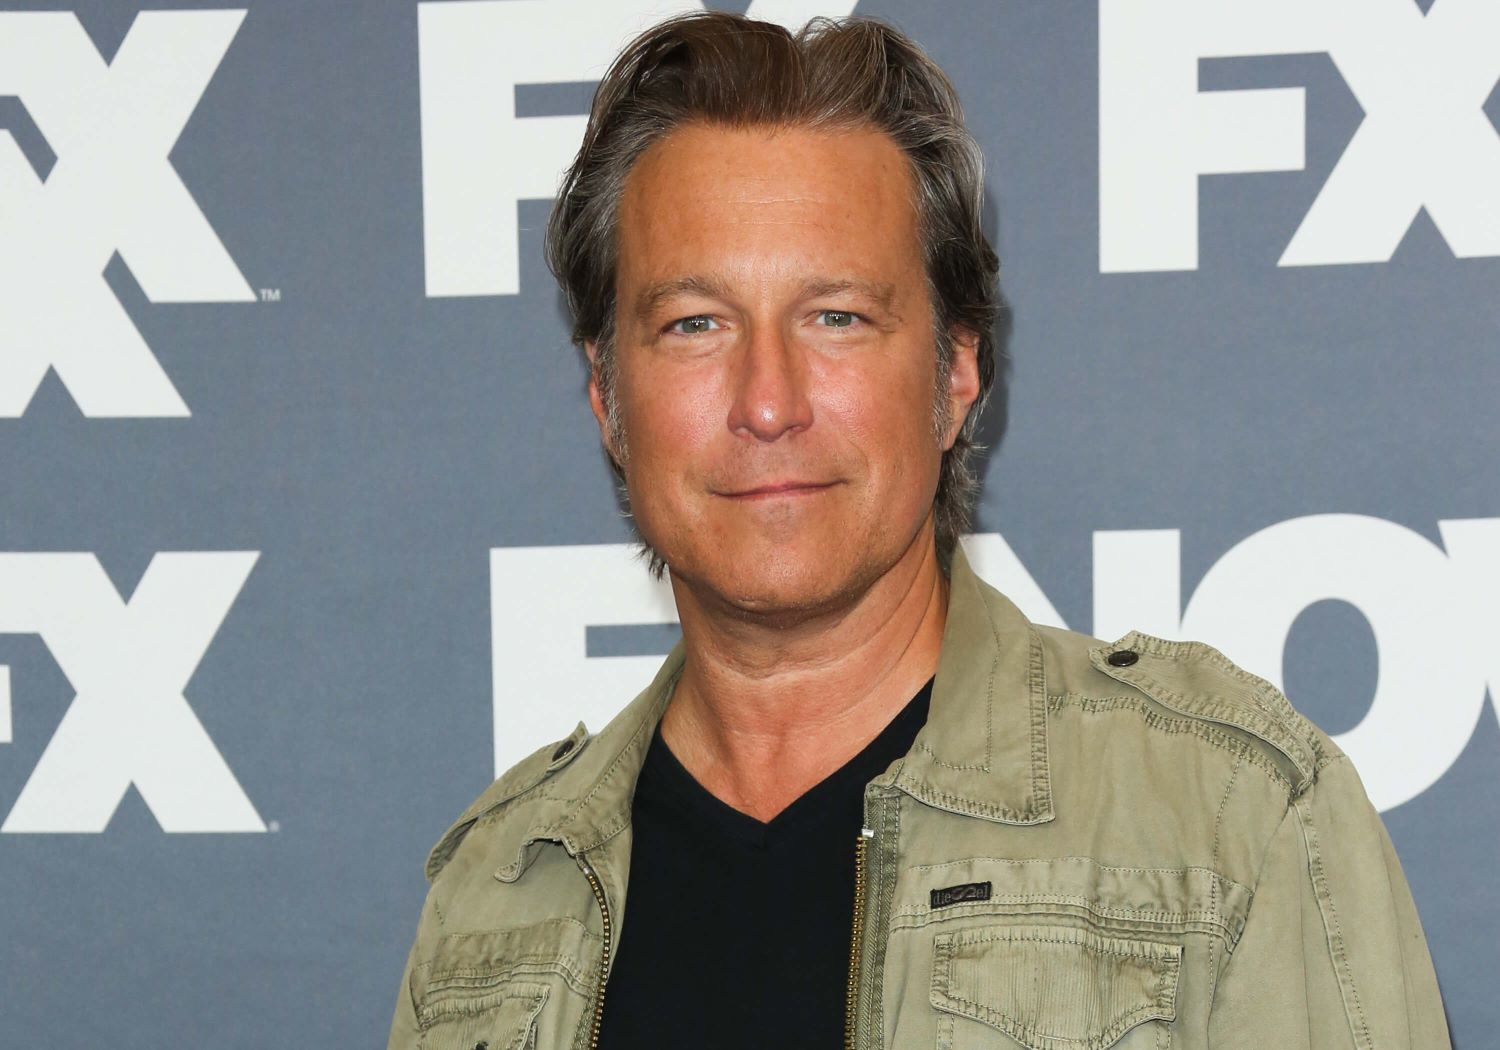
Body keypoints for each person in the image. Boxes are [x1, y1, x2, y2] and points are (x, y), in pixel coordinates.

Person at [388, 12, 1450, 1050]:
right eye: (694, 324)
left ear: (956, 374)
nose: (769, 401)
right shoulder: (496, 894)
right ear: (607, 398)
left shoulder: (1229, 821)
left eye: (837, 317)